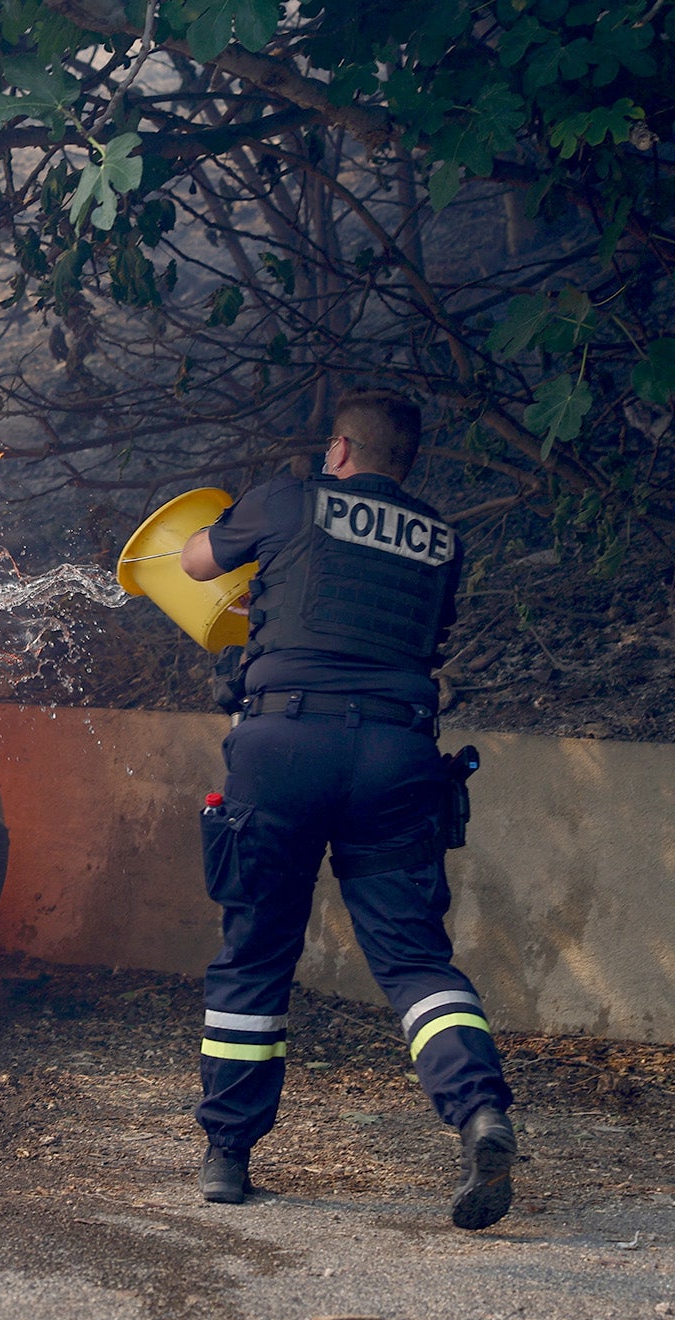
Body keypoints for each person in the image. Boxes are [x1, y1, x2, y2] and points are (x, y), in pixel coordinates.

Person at [178, 390, 516, 1230]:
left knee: (256, 949)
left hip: (284, 745)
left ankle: (228, 1154)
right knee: (414, 960)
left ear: (339, 449)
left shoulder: (290, 498)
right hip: (397, 758)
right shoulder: (442, 540)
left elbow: (190, 562)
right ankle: (479, 1112)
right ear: (405, 463)